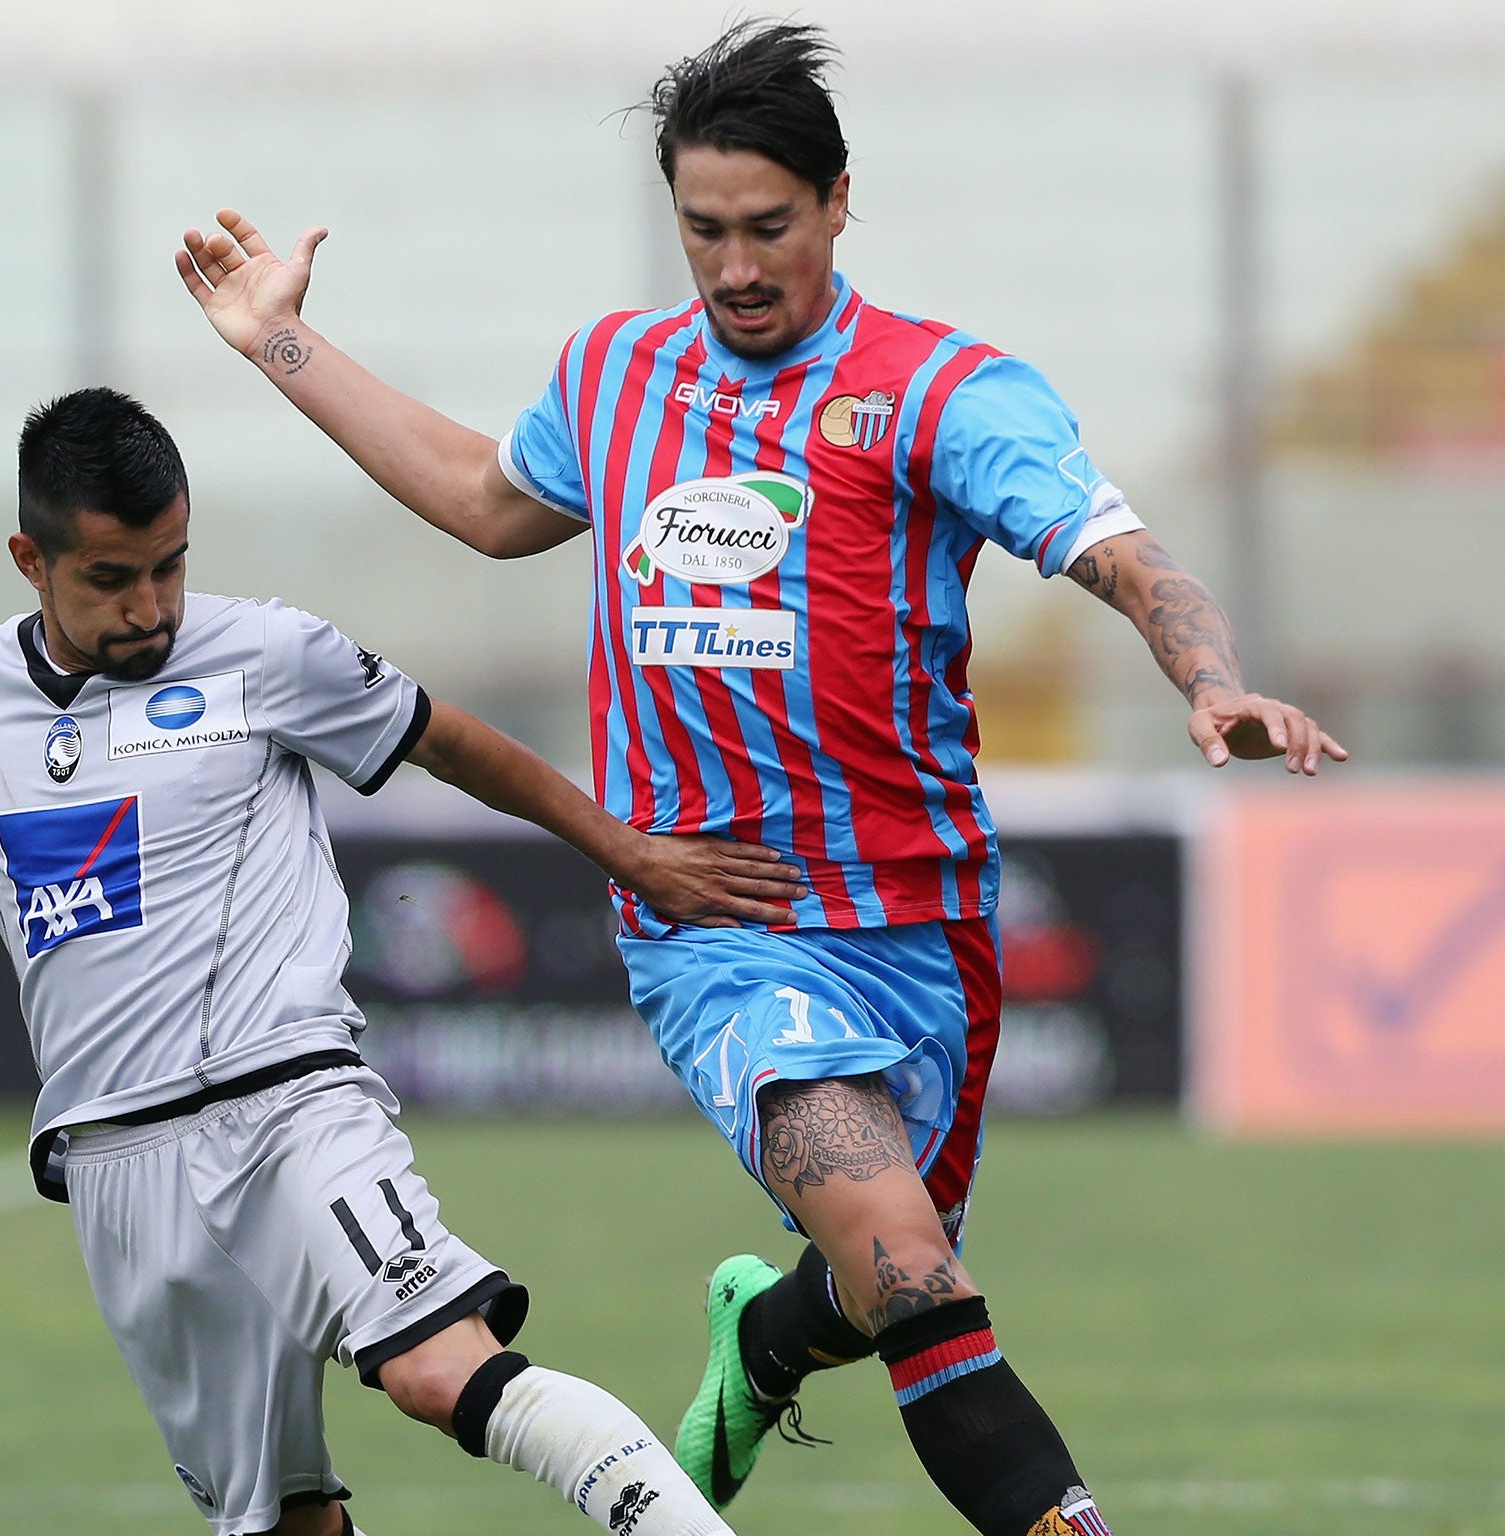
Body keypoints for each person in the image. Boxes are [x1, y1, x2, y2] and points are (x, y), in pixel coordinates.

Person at [175, 21, 1347, 1536]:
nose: (734, 267)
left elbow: (1126, 557)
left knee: (880, 1284)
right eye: (704, 230)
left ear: (840, 203)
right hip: (721, 925)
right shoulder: (613, 374)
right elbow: (483, 501)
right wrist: (279, 338)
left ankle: (766, 1337)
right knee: (912, 1263)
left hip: (923, 931)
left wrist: (1213, 681)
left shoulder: (942, 390)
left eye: (768, 229)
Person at [0, 388, 809, 1536]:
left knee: (435, 1369)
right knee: (283, 1516)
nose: (150, 607)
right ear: (32, 559)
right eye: (114, 579)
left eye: (171, 569)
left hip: (289, 1104)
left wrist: (626, 850)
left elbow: (451, 741)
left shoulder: (268, 655)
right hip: (120, 1163)